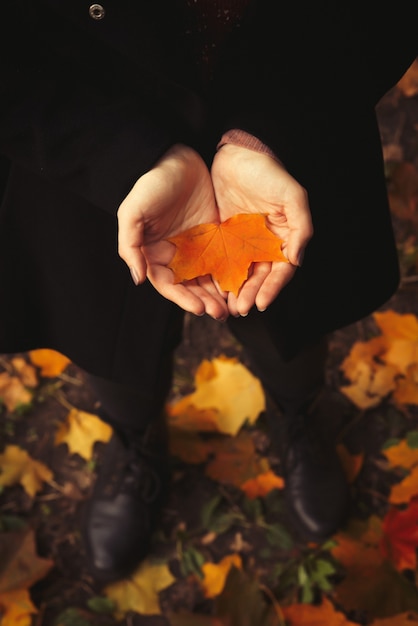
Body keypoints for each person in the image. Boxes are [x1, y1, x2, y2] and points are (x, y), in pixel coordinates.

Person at [0, 0, 416, 584]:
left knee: (288, 308)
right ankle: (134, 441)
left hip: (295, 105)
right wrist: (117, 158)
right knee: (102, 320)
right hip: (79, 135)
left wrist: (268, 133)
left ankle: (298, 415)